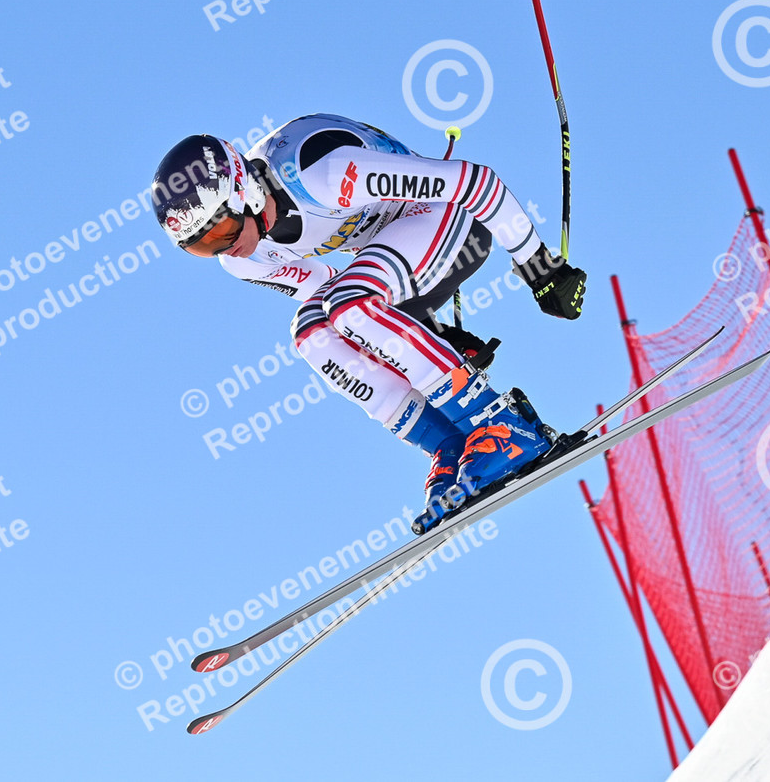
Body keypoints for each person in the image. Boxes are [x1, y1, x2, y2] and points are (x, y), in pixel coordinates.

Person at [150, 114, 586, 533]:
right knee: (311, 330)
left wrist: (540, 268)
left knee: (348, 303)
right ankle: (450, 441)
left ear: (243, 192)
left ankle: (501, 426)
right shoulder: (244, 260)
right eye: (201, 247)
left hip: (452, 220)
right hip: (395, 259)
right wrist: (424, 335)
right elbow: (326, 291)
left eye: (222, 231)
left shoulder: (320, 172)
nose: (225, 249)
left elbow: (476, 182)